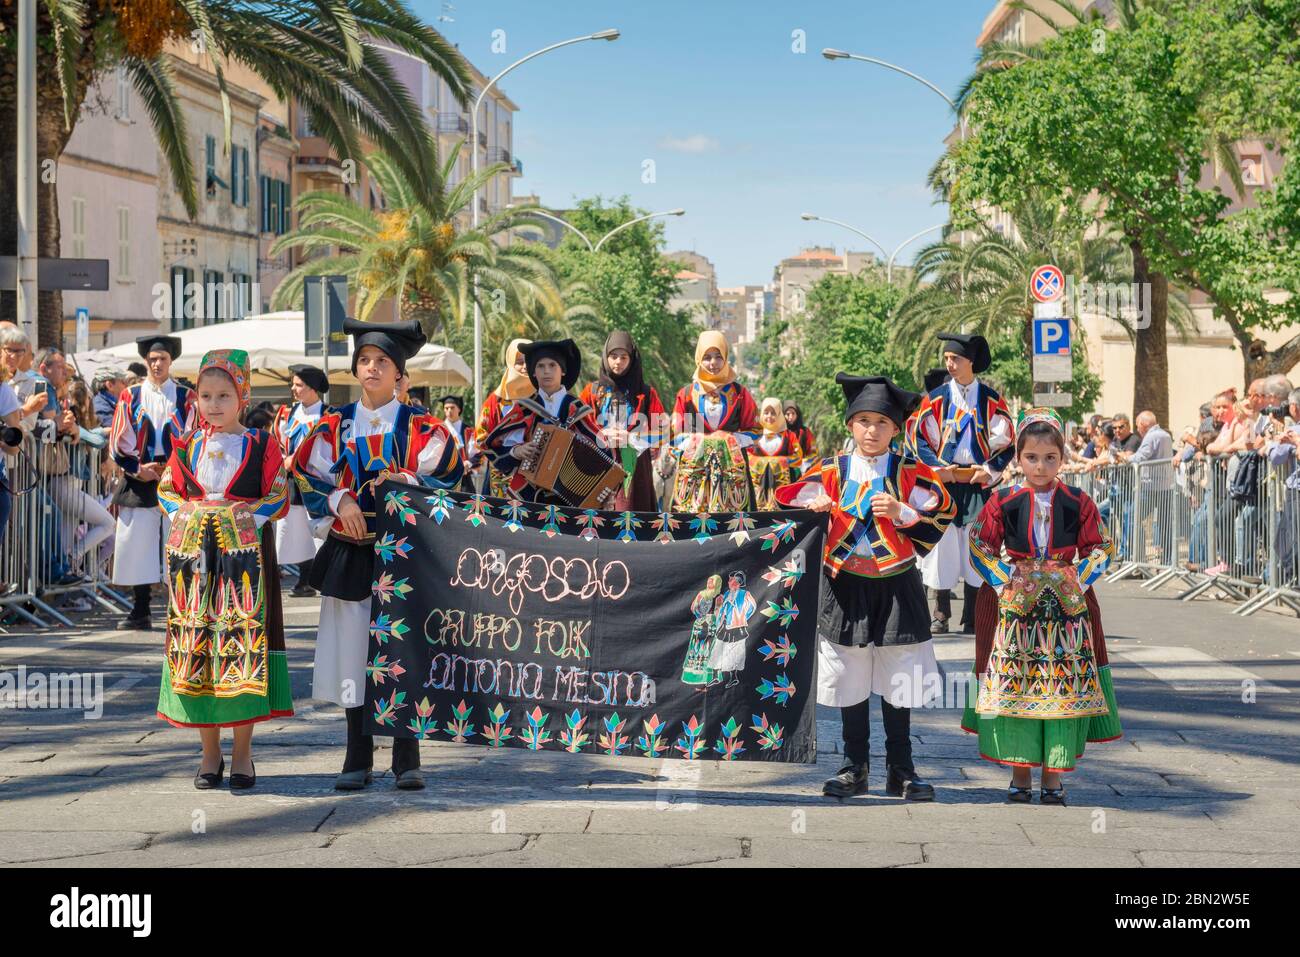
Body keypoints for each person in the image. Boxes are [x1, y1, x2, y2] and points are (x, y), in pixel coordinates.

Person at [293, 319, 463, 791]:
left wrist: (407, 482)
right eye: (365, 360)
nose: (371, 368)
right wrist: (338, 500)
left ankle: (408, 756)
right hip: (352, 550)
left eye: (382, 362)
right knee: (353, 651)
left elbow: (449, 475)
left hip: (406, 555)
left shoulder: (423, 427)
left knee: (404, 649)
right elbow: (306, 473)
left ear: (398, 374)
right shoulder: (333, 425)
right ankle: (356, 753)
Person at [778, 374, 955, 801]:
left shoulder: (911, 471)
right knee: (849, 674)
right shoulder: (830, 471)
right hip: (844, 587)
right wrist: (814, 507)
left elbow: (942, 509)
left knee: (900, 674)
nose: (871, 430)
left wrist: (903, 511)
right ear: (850, 425)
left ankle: (902, 770)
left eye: (880, 422)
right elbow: (788, 498)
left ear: (895, 428)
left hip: (897, 584)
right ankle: (853, 767)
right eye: (862, 421)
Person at [961, 409, 1122, 805]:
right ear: (1018, 458)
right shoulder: (1003, 500)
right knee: (1019, 690)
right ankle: (1020, 775)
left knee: (1061, 691)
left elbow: (1102, 547)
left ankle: (1053, 777)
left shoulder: (1078, 501)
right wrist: (1004, 580)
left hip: (1066, 616)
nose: (1040, 466)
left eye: (1050, 457)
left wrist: (1076, 578)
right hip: (1016, 615)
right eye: (1032, 457)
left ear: (1062, 458)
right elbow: (980, 545)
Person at [155, 350, 293, 790]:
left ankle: (244, 754)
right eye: (205, 395)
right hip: (196, 566)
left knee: (243, 647)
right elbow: (167, 490)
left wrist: (246, 514)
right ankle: (209, 754)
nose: (213, 404)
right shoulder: (188, 445)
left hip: (245, 566)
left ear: (243, 396)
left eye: (223, 395)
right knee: (199, 648)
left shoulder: (261, 444)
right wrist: (187, 512)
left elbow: (278, 494)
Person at [908, 333, 1014, 636]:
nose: (950, 364)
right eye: (946, 360)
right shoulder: (937, 398)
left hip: (978, 484)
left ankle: (972, 615)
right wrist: (942, 470)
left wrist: (989, 469)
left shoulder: (991, 399)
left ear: (970, 362)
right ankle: (940, 614)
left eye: (955, 359)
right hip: (945, 483)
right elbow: (920, 439)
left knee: (975, 545)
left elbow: (1007, 440)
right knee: (942, 547)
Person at [109, 335, 195, 630]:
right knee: (137, 543)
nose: (157, 364)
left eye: (163, 359)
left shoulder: (186, 397)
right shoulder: (130, 396)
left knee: (178, 543)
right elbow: (119, 438)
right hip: (140, 478)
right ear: (146, 362)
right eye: (153, 359)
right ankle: (140, 608)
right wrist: (137, 468)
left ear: (171, 362)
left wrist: (174, 468)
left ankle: (181, 609)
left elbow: (194, 437)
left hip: (177, 478)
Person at [483, 339, 613, 506]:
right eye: (540, 366)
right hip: (530, 497)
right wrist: (517, 451)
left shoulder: (577, 409)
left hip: (572, 499)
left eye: (552, 365)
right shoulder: (524, 408)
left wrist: (607, 488)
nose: (546, 371)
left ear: (563, 371)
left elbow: (603, 450)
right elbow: (493, 446)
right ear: (533, 373)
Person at [668, 330, 759, 512]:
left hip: (732, 476)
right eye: (707, 357)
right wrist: (693, 440)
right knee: (692, 524)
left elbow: (756, 431)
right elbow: (673, 435)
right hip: (694, 473)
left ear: (726, 357)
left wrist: (730, 438)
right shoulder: (686, 395)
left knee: (733, 527)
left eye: (718, 357)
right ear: (698, 360)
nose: (713, 363)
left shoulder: (740, 394)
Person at [578, 330, 665, 511]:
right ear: (605, 357)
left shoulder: (645, 394)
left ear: (632, 359)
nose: (618, 362)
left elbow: (662, 432)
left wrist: (631, 438)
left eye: (624, 357)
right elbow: (576, 428)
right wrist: (601, 435)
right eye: (613, 356)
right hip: (598, 463)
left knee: (630, 519)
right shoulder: (591, 392)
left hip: (633, 467)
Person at [272, 364, 330, 598]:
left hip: (320, 480)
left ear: (313, 388)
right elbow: (277, 443)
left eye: (299, 385)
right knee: (293, 529)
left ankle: (320, 577)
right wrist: (284, 460)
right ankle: (303, 578)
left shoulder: (329, 414)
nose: (294, 389)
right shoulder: (287, 414)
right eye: (293, 384)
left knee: (319, 527)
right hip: (293, 481)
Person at [474, 338, 533, 498]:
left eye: (530, 361)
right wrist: (509, 453)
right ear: (510, 362)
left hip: (534, 472)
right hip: (501, 473)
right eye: (519, 362)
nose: (525, 366)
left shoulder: (543, 397)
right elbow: (480, 438)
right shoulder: (496, 400)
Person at [747, 398, 803, 511]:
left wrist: (782, 461)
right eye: (766, 412)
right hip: (757, 490)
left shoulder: (789, 436)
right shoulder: (754, 435)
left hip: (783, 489)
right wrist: (762, 462)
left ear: (779, 415)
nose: (769, 416)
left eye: (773, 413)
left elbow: (798, 458)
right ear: (761, 413)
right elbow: (746, 455)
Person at [783, 401, 816, 475]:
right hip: (783, 474)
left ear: (797, 415)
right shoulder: (779, 433)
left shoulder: (805, 432)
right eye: (787, 414)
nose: (790, 417)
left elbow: (814, 452)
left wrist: (804, 462)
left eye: (793, 414)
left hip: (802, 472)